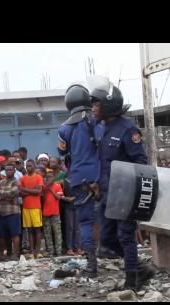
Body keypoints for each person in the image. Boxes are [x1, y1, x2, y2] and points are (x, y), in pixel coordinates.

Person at [91, 75, 155, 290]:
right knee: (107, 240)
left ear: (108, 105)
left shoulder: (128, 129)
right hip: (107, 194)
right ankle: (140, 268)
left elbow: (141, 161)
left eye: (96, 104)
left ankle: (132, 282)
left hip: (125, 193)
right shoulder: (102, 128)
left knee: (125, 236)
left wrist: (135, 196)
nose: (93, 108)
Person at [58, 83, 102, 277]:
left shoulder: (64, 127)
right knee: (111, 219)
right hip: (102, 177)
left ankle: (92, 267)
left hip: (79, 180)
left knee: (85, 223)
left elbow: (61, 151)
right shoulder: (97, 120)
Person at [0, 163, 21, 260]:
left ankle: (15, 254)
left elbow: (13, 193)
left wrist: (3, 195)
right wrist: (6, 196)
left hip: (13, 211)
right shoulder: (1, 182)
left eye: (10, 170)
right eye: (7, 170)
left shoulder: (17, 182)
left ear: (14, 171)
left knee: (15, 234)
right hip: (2, 212)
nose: (8, 171)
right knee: (2, 235)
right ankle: (2, 254)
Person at [20, 160, 44, 259]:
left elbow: (39, 191)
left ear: (34, 166)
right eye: (27, 166)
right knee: (29, 230)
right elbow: (20, 193)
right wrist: (32, 191)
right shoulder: (23, 178)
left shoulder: (38, 177)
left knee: (37, 229)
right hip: (26, 207)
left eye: (30, 166)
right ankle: (32, 251)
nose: (28, 167)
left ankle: (38, 251)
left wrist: (26, 190)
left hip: (35, 207)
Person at [42, 171, 64, 256]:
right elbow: (43, 200)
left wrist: (51, 189)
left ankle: (58, 251)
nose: (48, 178)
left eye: (50, 176)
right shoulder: (44, 187)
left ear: (54, 177)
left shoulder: (57, 186)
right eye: (47, 177)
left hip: (55, 213)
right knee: (48, 234)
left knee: (57, 233)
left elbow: (59, 197)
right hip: (46, 213)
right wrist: (46, 190)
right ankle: (50, 251)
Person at [62, 169, 83, 256]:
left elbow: (82, 193)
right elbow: (60, 194)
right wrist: (66, 198)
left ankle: (77, 247)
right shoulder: (64, 182)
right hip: (68, 207)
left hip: (77, 206)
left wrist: (74, 198)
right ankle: (69, 248)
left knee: (77, 229)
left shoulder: (78, 182)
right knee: (69, 228)